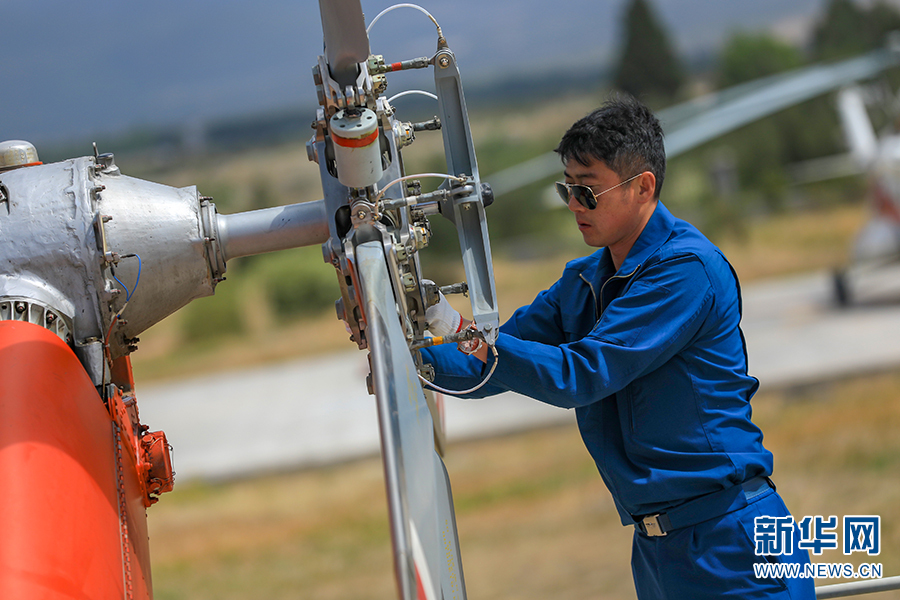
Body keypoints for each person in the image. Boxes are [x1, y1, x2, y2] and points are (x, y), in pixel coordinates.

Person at [420, 96, 815, 599]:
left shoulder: (685, 271)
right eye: (566, 189)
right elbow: (490, 364)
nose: (573, 205)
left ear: (643, 186)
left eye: (587, 191)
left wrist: (463, 331)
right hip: (656, 550)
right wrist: (404, 348)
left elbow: (583, 374)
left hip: (731, 540)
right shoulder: (583, 281)